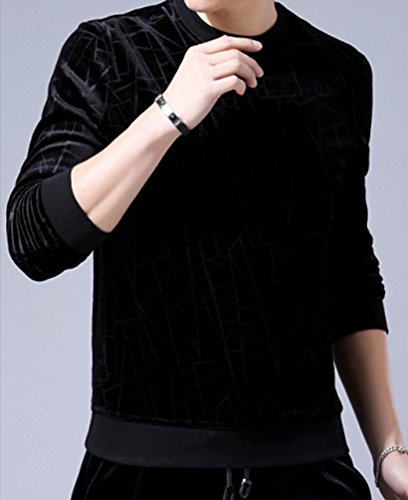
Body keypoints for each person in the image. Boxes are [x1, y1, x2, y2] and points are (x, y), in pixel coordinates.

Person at [5, 0, 408, 498]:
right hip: (139, 473)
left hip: (310, 469)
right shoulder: (109, 51)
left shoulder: (339, 71)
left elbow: (348, 274)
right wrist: (167, 114)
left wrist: (388, 449)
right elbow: (34, 240)